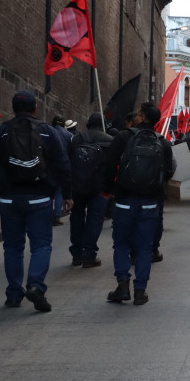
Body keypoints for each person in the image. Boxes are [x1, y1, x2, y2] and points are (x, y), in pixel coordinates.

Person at [0, 91, 72, 311]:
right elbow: (62, 163)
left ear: (13, 108)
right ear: (35, 108)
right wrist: (67, 194)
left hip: (9, 199)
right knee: (41, 245)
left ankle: (13, 294)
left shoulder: (2, 132)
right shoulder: (47, 131)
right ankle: (36, 286)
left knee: (12, 247)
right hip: (40, 198)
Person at [103, 102, 174, 305]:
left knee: (122, 244)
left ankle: (123, 284)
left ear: (141, 117)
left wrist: (108, 190)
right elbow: (168, 172)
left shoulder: (124, 137)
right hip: (151, 202)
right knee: (145, 247)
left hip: (124, 199)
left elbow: (110, 164)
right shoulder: (163, 142)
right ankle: (140, 291)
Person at [68, 112, 113, 268]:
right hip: (99, 187)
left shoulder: (76, 139)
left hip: (77, 185)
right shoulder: (109, 140)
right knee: (95, 219)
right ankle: (89, 254)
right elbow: (112, 166)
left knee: (77, 217)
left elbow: (68, 163)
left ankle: (76, 254)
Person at [50, 114, 72, 226]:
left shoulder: (48, 132)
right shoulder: (69, 135)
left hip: (49, 168)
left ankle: (47, 216)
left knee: (48, 192)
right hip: (63, 167)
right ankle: (56, 217)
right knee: (59, 193)